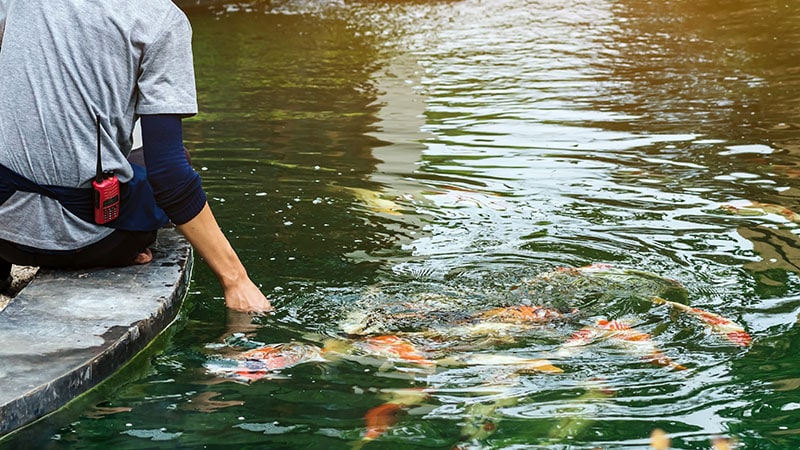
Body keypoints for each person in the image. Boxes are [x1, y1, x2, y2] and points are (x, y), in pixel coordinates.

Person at [0, 0, 271, 313]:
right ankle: (127, 248)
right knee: (170, 157)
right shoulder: (160, 19)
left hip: (4, 236)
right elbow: (170, 177)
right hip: (89, 244)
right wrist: (236, 280)